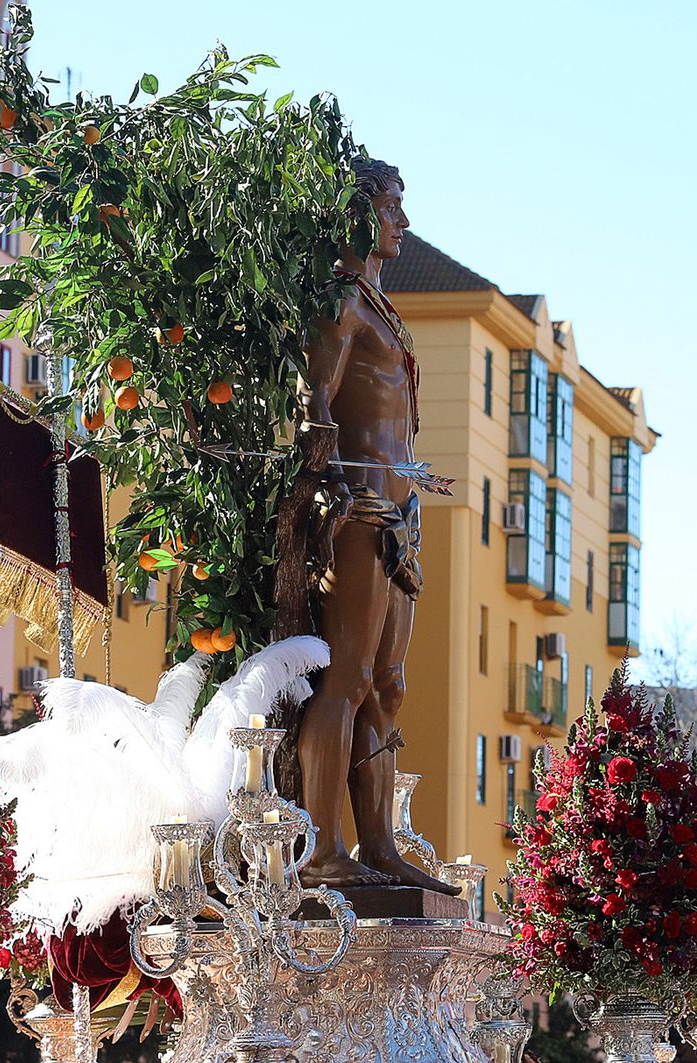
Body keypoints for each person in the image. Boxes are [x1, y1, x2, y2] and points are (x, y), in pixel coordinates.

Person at [294, 157, 457, 894]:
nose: (404, 222)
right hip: (361, 509)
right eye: (393, 207)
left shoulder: (376, 301)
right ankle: (322, 850)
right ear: (358, 213)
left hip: (403, 509)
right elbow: (314, 406)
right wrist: (328, 495)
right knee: (349, 676)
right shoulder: (338, 297)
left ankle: (380, 844)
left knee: (387, 685)